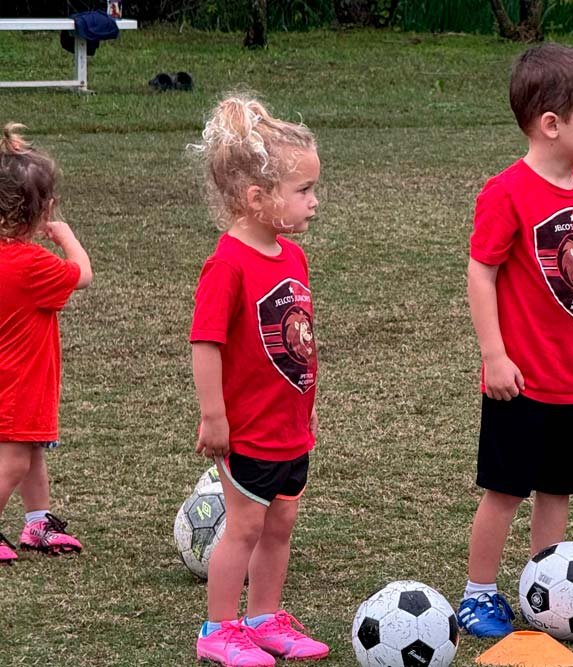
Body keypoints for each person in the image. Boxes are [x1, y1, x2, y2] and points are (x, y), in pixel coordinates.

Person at [458, 43, 573, 638]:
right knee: (505, 491)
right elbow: (481, 272)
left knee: (558, 488)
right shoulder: (506, 192)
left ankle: (545, 587)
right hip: (520, 382)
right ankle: (477, 592)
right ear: (551, 124)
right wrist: (494, 354)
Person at [189, 96, 328, 667]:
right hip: (246, 429)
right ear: (257, 198)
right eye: (303, 191)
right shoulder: (228, 264)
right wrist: (214, 414)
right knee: (243, 528)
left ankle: (264, 619)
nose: (314, 202)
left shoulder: (292, 255)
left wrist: (307, 403)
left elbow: (297, 336)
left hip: (289, 425)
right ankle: (218, 630)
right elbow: (206, 343)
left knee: (281, 524)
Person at [0, 123, 92, 566]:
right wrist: (67, 238)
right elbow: (83, 274)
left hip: (15, 382)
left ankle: (37, 521)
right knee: (15, 461)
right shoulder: (33, 264)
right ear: (43, 209)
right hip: (18, 384)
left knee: (30, 453)